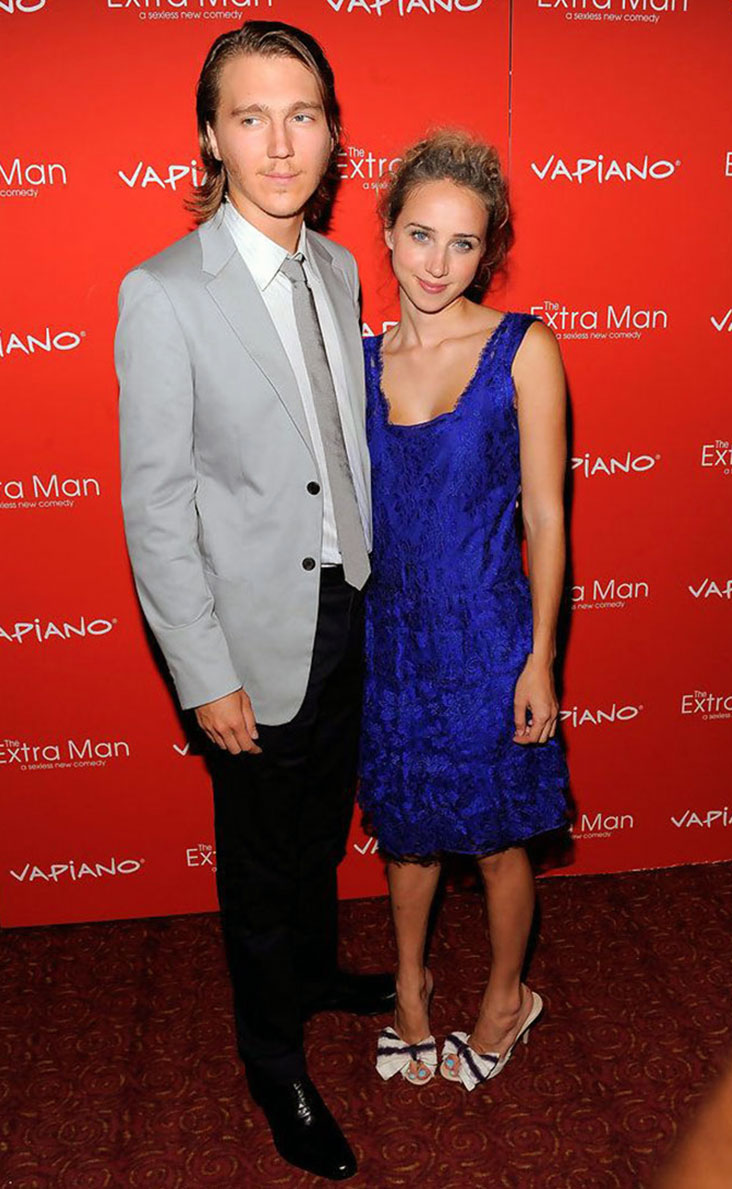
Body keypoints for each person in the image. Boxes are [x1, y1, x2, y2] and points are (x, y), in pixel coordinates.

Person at [115, 20, 394, 1182]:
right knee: (261, 864)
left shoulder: (339, 267)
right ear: (210, 138)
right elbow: (156, 505)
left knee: (320, 830)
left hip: (347, 607)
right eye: (250, 117)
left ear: (331, 134)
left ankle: (315, 972)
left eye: (302, 116)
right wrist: (205, 671)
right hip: (246, 637)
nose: (280, 144)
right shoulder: (163, 293)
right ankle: (273, 1060)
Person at [359, 131, 571, 1091]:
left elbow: (547, 516)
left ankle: (506, 996)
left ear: (488, 251)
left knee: (495, 838)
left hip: (488, 637)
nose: (438, 263)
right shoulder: (359, 361)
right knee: (406, 831)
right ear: (388, 234)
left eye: (463, 242)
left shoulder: (524, 348)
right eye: (421, 235)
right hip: (392, 640)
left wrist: (540, 658)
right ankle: (409, 990)